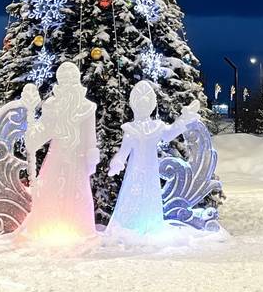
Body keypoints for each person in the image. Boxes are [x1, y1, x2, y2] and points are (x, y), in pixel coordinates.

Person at [106, 81, 201, 237]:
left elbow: (170, 133)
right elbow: (124, 152)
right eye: (139, 99)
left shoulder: (157, 126)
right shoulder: (130, 129)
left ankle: (149, 227)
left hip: (150, 172)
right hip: (135, 172)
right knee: (133, 196)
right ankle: (128, 228)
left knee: (149, 197)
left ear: (152, 104)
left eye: (147, 99)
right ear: (132, 103)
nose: (143, 103)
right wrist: (118, 161)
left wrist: (185, 118)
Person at [17, 62, 99, 243]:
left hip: (78, 162)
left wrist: (91, 159)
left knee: (77, 195)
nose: (69, 82)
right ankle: (47, 228)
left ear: (77, 80)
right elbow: (45, 131)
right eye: (65, 78)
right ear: (60, 81)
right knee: (51, 194)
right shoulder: (52, 106)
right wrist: (33, 136)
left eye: (72, 78)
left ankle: (78, 229)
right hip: (55, 160)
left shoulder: (87, 107)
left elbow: (90, 137)